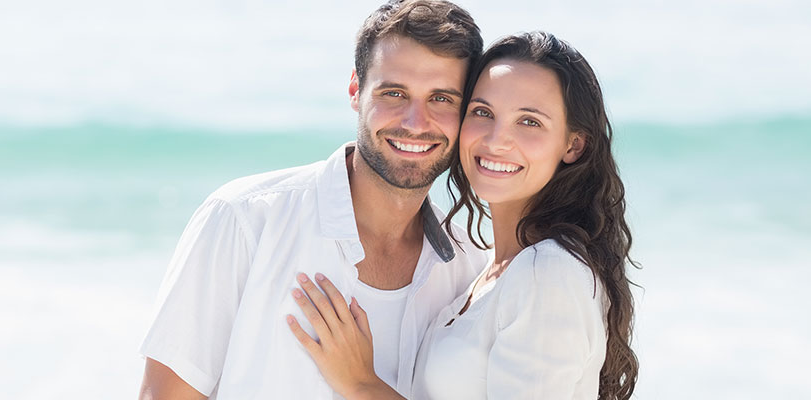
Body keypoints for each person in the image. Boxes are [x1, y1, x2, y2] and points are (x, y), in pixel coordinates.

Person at [137, 1, 489, 399]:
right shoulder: (244, 220)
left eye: (441, 99)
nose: (415, 122)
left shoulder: (472, 272)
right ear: (356, 90)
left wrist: (362, 385)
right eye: (394, 93)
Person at [287, 31, 640, 399]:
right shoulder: (485, 271)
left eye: (529, 121)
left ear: (573, 144)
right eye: (482, 113)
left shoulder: (547, 271)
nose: (496, 139)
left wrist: (362, 384)